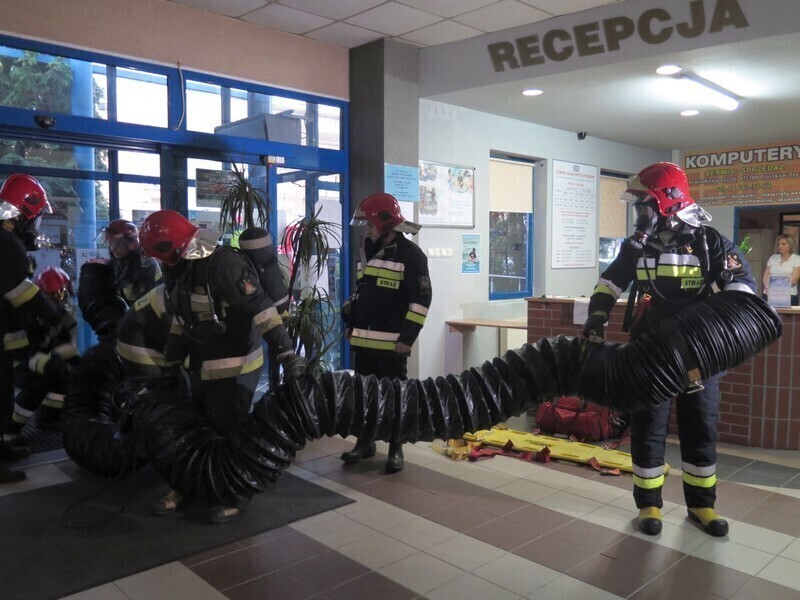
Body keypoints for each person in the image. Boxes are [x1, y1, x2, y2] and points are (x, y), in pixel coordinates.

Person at [583, 162, 756, 537]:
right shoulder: (638, 248)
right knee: (648, 426)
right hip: (650, 353)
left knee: (700, 428)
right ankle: (649, 505)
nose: (638, 214)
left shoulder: (710, 244)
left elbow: (744, 291)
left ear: (669, 203)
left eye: (643, 205)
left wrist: (713, 333)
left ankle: (701, 507)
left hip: (700, 356)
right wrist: (597, 316)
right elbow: (609, 282)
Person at [129, 209, 306, 522]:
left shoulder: (224, 264)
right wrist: (170, 364)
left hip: (236, 366)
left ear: (170, 248)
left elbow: (262, 310)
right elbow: (181, 320)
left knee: (229, 430)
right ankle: (185, 486)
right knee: (193, 428)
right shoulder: (178, 269)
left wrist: (286, 353)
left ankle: (237, 492)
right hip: (200, 365)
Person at [340, 193, 432, 473]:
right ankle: (365, 443)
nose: (366, 230)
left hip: (393, 345)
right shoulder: (367, 248)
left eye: (369, 224)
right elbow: (362, 292)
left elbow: (421, 300)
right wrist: (351, 324)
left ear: (385, 223)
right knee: (364, 396)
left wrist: (407, 339)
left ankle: (395, 448)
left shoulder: (411, 255)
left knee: (393, 398)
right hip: (364, 340)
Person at [0, 174, 65, 482]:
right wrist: (51, 312)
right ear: (26, 211)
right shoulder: (7, 244)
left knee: (4, 393)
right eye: (37, 216)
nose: (37, 223)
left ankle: (2, 447)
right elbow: (19, 291)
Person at [10, 267, 79, 434]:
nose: (58, 300)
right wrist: (50, 365)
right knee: (37, 384)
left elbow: (65, 342)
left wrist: (77, 366)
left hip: (36, 358)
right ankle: (9, 430)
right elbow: (25, 352)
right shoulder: (26, 316)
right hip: (14, 361)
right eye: (53, 295)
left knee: (65, 377)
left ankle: (49, 419)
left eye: (61, 295)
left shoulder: (61, 315)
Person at [762, 233, 800, 306]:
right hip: (769, 293)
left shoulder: (797, 259)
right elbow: (765, 276)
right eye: (779, 244)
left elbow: (794, 279)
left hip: (789, 294)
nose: (780, 246)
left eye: (783, 244)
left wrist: (775, 286)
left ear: (790, 245)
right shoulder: (773, 258)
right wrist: (767, 288)